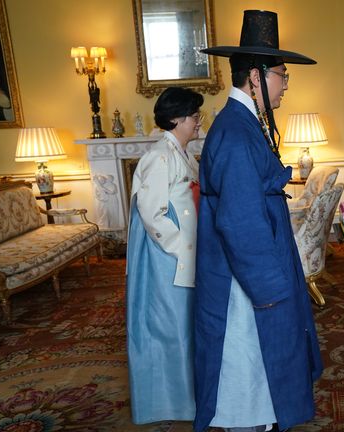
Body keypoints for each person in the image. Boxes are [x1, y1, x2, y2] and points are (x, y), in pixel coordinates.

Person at [194, 10, 323, 432]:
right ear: (256, 76)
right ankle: (248, 422)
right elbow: (237, 220)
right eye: (282, 75)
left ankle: (260, 418)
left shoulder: (247, 122)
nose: (286, 84)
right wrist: (269, 287)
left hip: (256, 259)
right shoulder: (234, 131)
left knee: (258, 348)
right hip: (242, 272)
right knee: (248, 346)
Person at [126, 87, 203, 424]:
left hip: (183, 254)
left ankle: (188, 397)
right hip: (166, 258)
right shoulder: (159, 157)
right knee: (168, 328)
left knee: (184, 327)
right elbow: (152, 214)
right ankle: (169, 404)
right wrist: (181, 249)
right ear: (176, 119)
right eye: (194, 115)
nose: (199, 122)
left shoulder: (183, 153)